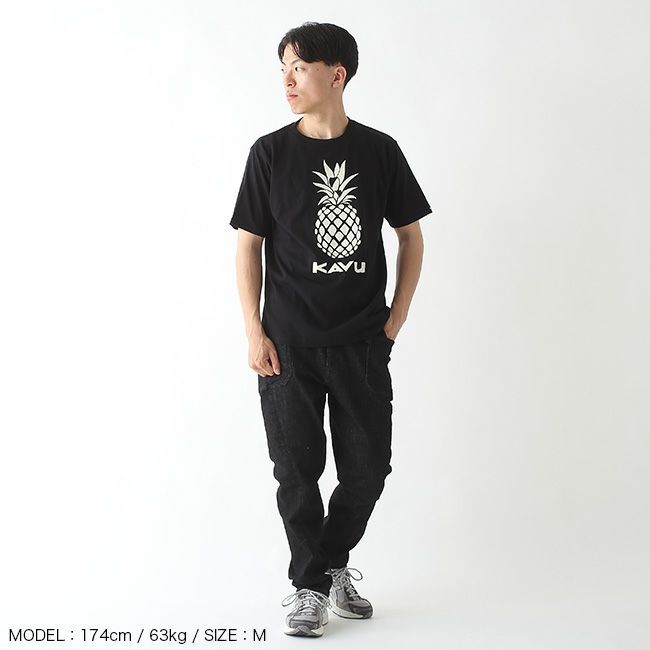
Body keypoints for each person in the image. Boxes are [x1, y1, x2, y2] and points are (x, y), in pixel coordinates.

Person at [229, 21, 432, 638]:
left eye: (299, 67)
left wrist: (395, 320)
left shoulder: (379, 151)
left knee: (368, 469)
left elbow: (410, 236)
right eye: (283, 68)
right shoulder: (270, 153)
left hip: (363, 343)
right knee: (296, 474)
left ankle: (326, 565)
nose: (287, 80)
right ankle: (311, 588)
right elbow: (248, 246)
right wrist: (253, 331)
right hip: (287, 345)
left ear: (336, 74)